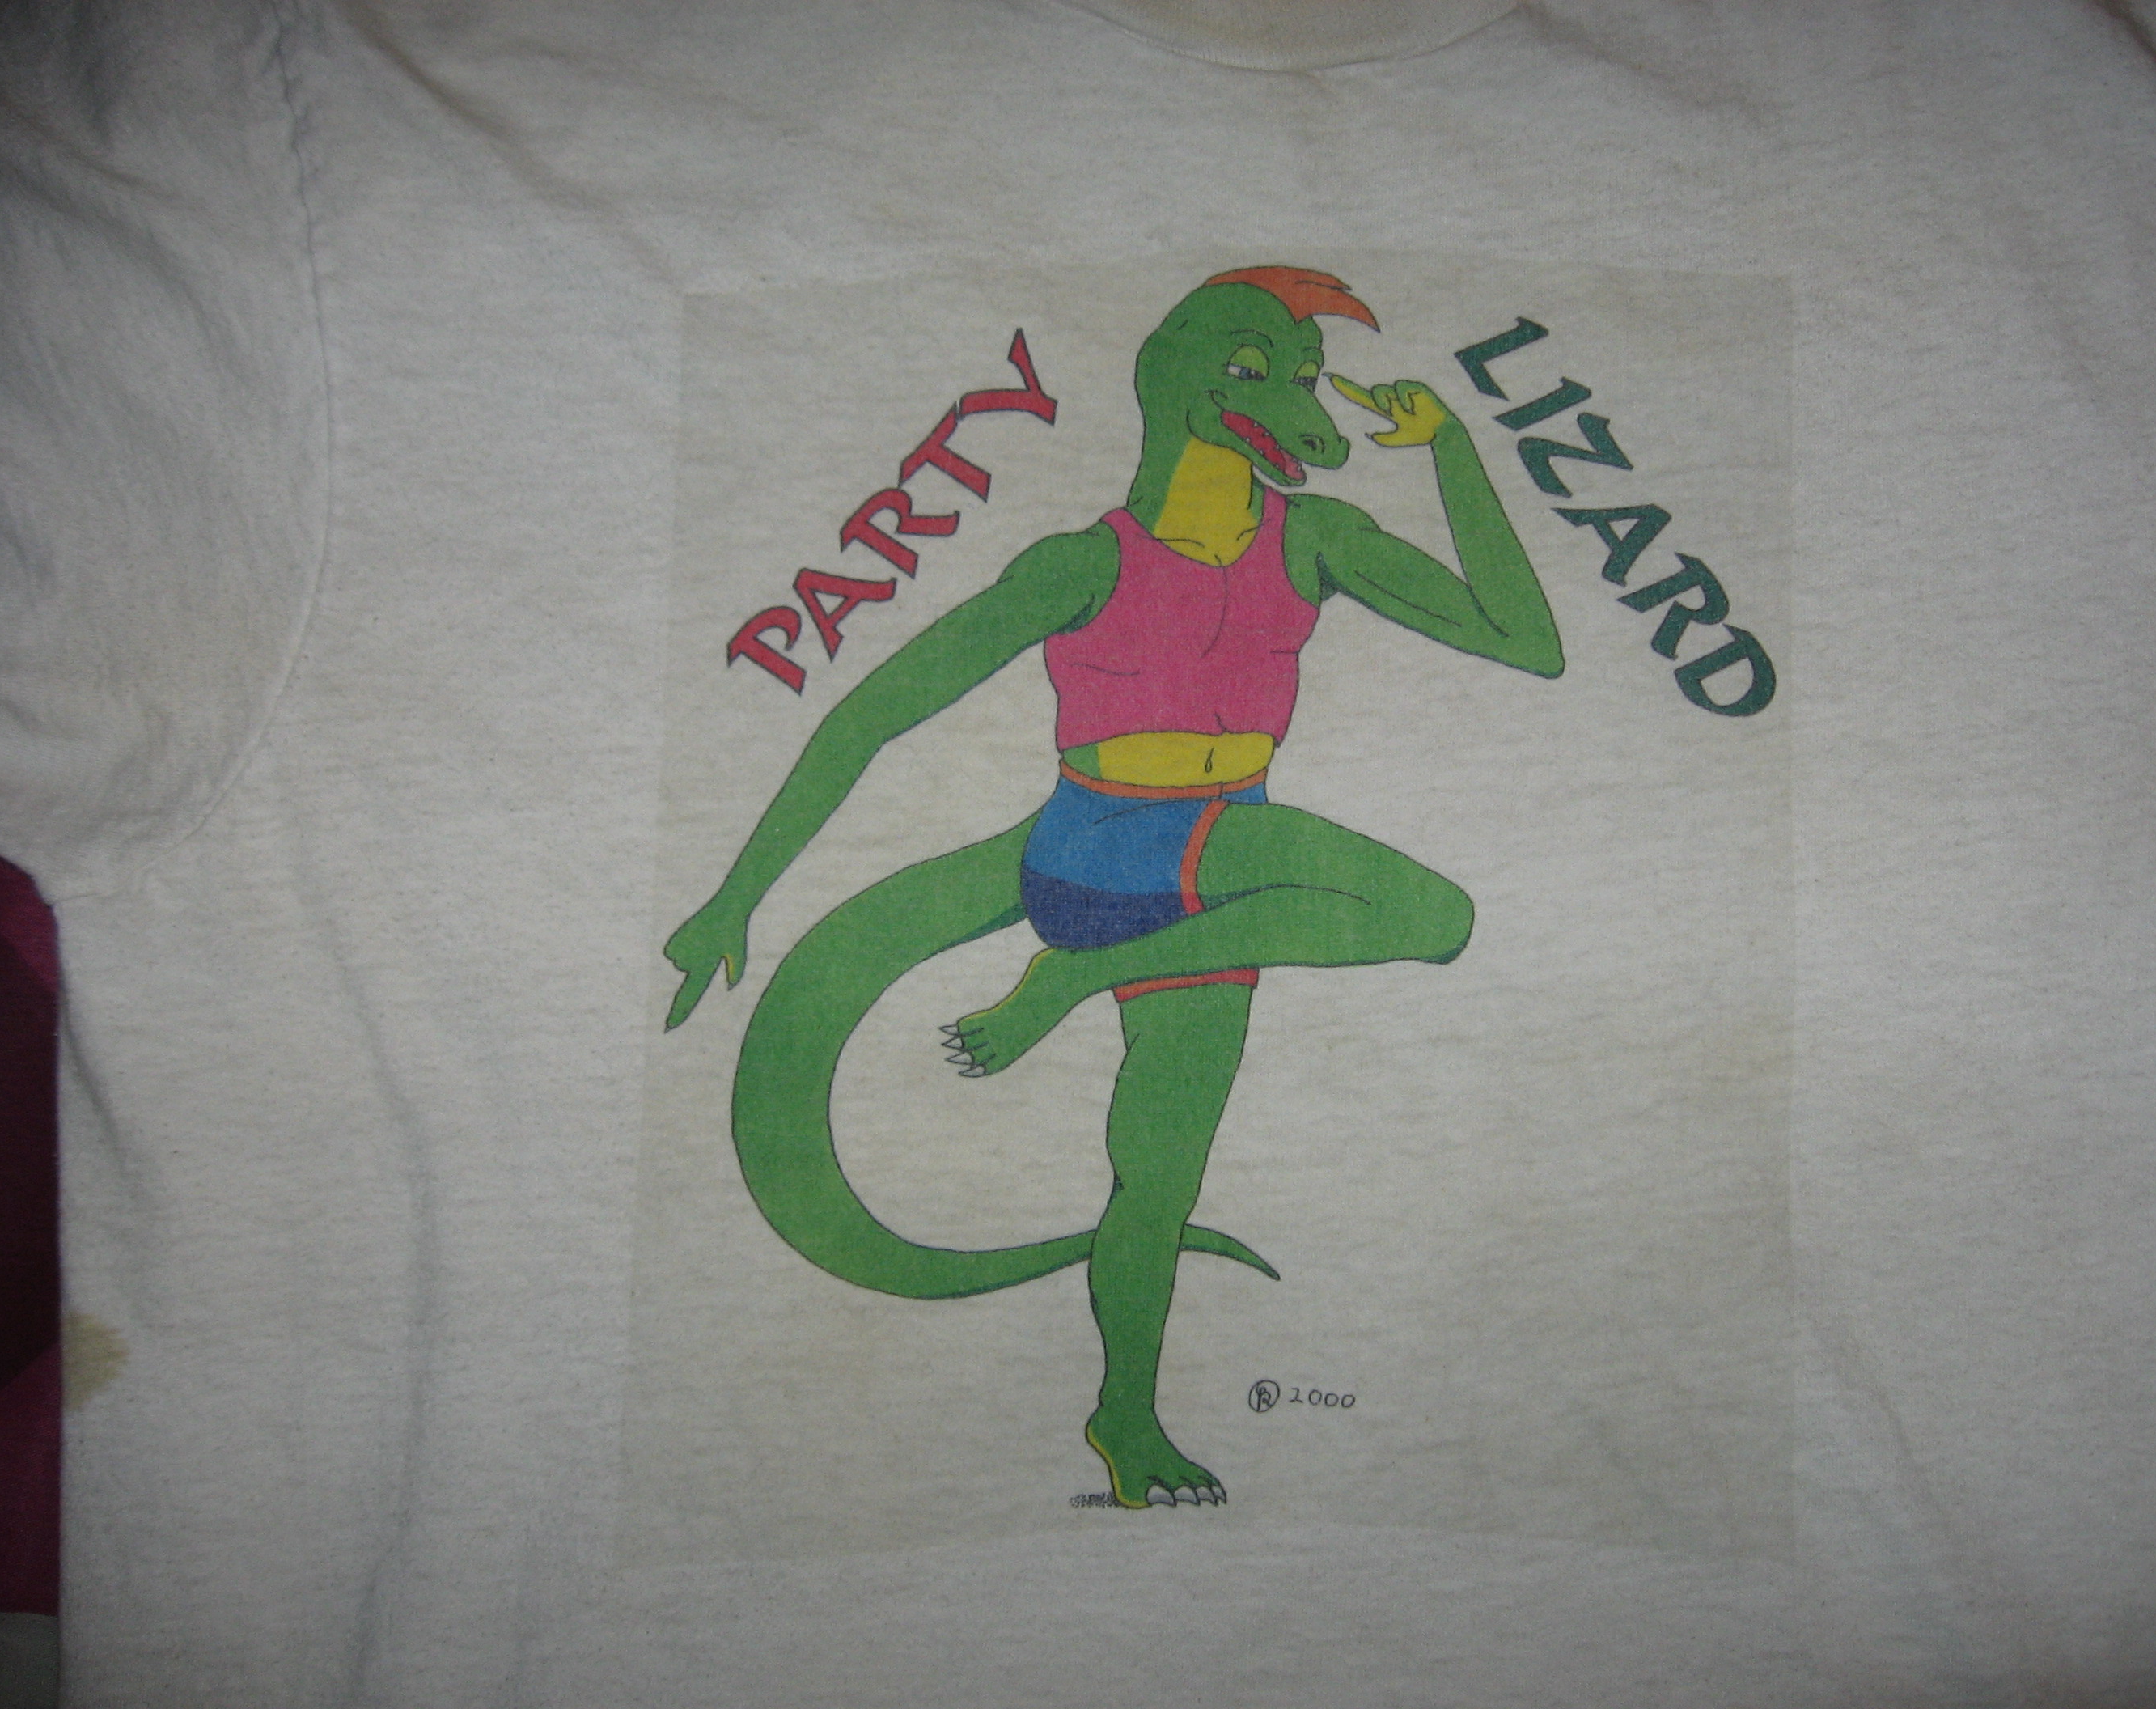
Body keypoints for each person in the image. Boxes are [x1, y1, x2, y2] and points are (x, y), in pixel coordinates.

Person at [664, 265, 1564, 1508]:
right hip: (1096, 852)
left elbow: (1529, 643)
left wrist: (1453, 447)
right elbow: (874, 713)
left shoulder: (1316, 541)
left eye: (1305, 379)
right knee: (1433, 913)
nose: (1302, 410)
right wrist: (734, 897)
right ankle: (1068, 977)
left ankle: (1124, 1419)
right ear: (1177, 382)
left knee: (1158, 1173)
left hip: (1215, 874)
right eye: (1256, 374)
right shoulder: (1082, 564)